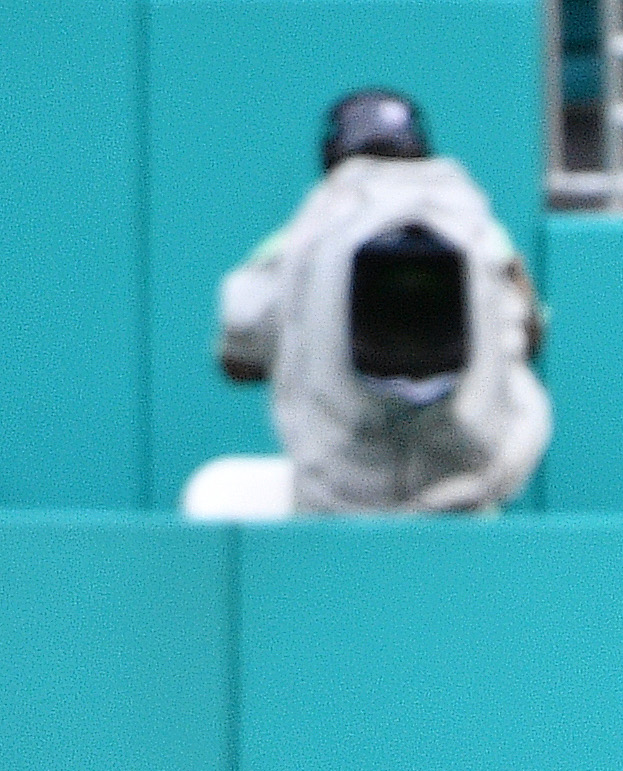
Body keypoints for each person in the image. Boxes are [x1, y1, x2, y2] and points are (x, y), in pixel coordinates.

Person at [216, 89, 551, 514]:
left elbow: (239, 351)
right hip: (464, 510)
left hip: (338, 512)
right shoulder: (483, 235)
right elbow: (529, 335)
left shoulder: (297, 245)